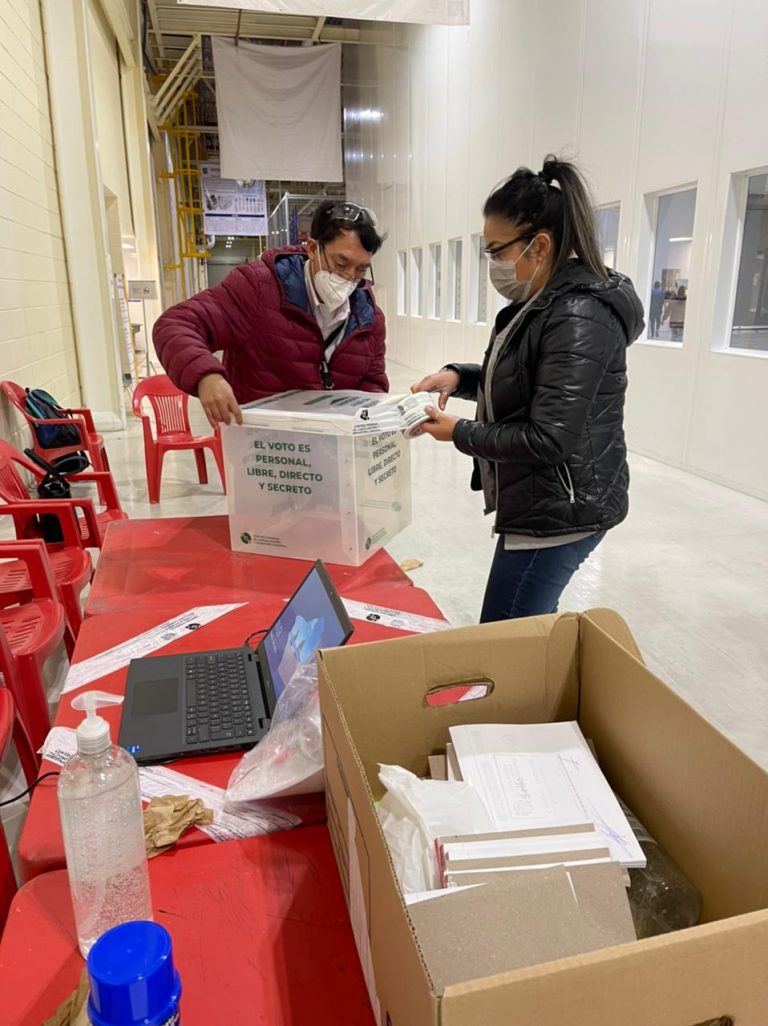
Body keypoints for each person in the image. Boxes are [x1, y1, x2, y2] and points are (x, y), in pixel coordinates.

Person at [411, 156, 644, 622]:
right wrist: (461, 377)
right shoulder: (542, 301)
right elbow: (528, 379)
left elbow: (549, 437)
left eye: (497, 251)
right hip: (544, 500)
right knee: (527, 628)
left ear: (538, 245)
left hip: (562, 510)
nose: (494, 264)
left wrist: (458, 431)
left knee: (505, 636)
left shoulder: (578, 314)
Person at [153, 201, 388, 428]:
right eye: (340, 263)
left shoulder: (369, 318)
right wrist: (207, 376)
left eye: (360, 269)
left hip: (331, 451)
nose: (348, 278)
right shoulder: (258, 289)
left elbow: (371, 388)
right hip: (265, 451)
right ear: (314, 249)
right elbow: (176, 324)